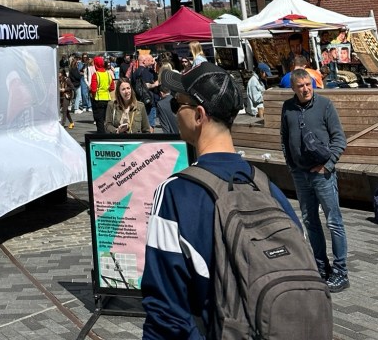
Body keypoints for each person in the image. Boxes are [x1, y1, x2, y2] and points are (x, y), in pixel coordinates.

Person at [142, 63, 300, 340]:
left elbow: (165, 312)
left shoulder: (174, 194)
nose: (175, 111)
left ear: (199, 115)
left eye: (178, 104)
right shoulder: (267, 186)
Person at [281, 67, 349, 292]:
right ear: (293, 88)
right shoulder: (288, 108)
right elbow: (284, 138)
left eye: (308, 85)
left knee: (334, 222)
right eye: (300, 86)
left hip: (323, 174)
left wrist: (328, 165)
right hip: (300, 175)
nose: (305, 89)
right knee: (310, 221)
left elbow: (339, 138)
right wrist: (291, 166)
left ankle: (341, 272)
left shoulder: (325, 105)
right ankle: (321, 267)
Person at [131, 54, 160, 128]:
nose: (152, 62)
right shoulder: (145, 71)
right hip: (148, 101)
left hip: (139, 101)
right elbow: (146, 85)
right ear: (144, 61)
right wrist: (155, 84)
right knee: (150, 125)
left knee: (141, 125)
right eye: (149, 60)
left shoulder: (135, 72)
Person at [89, 56, 114, 132]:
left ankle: (101, 135)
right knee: (107, 119)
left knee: (99, 120)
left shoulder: (96, 74)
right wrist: (106, 90)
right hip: (107, 99)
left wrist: (92, 91)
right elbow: (112, 87)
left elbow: (93, 89)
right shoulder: (108, 74)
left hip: (98, 100)